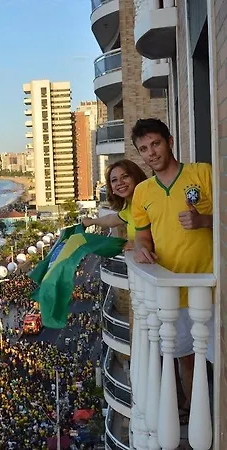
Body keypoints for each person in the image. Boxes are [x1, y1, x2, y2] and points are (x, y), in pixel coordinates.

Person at [130, 117, 213, 419]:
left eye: (156, 144)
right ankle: (198, 418)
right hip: (172, 294)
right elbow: (142, 235)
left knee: (217, 358)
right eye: (144, 149)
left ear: (170, 142)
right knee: (186, 361)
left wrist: (204, 221)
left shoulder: (203, 173)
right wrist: (141, 248)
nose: (151, 153)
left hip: (211, 289)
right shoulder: (143, 192)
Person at [82, 159, 147, 246]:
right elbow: (111, 219)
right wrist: (91, 222)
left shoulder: (148, 202)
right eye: (114, 180)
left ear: (136, 177)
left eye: (125, 176)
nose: (120, 183)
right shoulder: (130, 207)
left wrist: (135, 244)